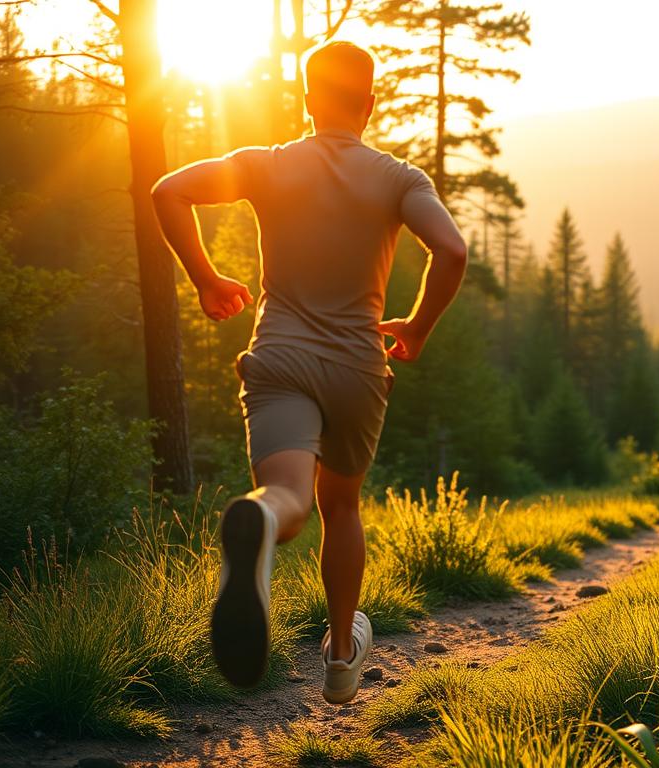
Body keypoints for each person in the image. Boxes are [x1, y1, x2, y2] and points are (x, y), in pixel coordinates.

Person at [151, 40, 467, 703]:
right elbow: (451, 250)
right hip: (356, 366)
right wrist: (415, 326)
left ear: (306, 100)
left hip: (281, 358)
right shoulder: (399, 178)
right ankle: (343, 660)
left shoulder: (266, 164)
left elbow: (169, 191)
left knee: (289, 498)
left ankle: (261, 523)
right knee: (342, 505)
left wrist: (206, 279)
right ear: (370, 103)